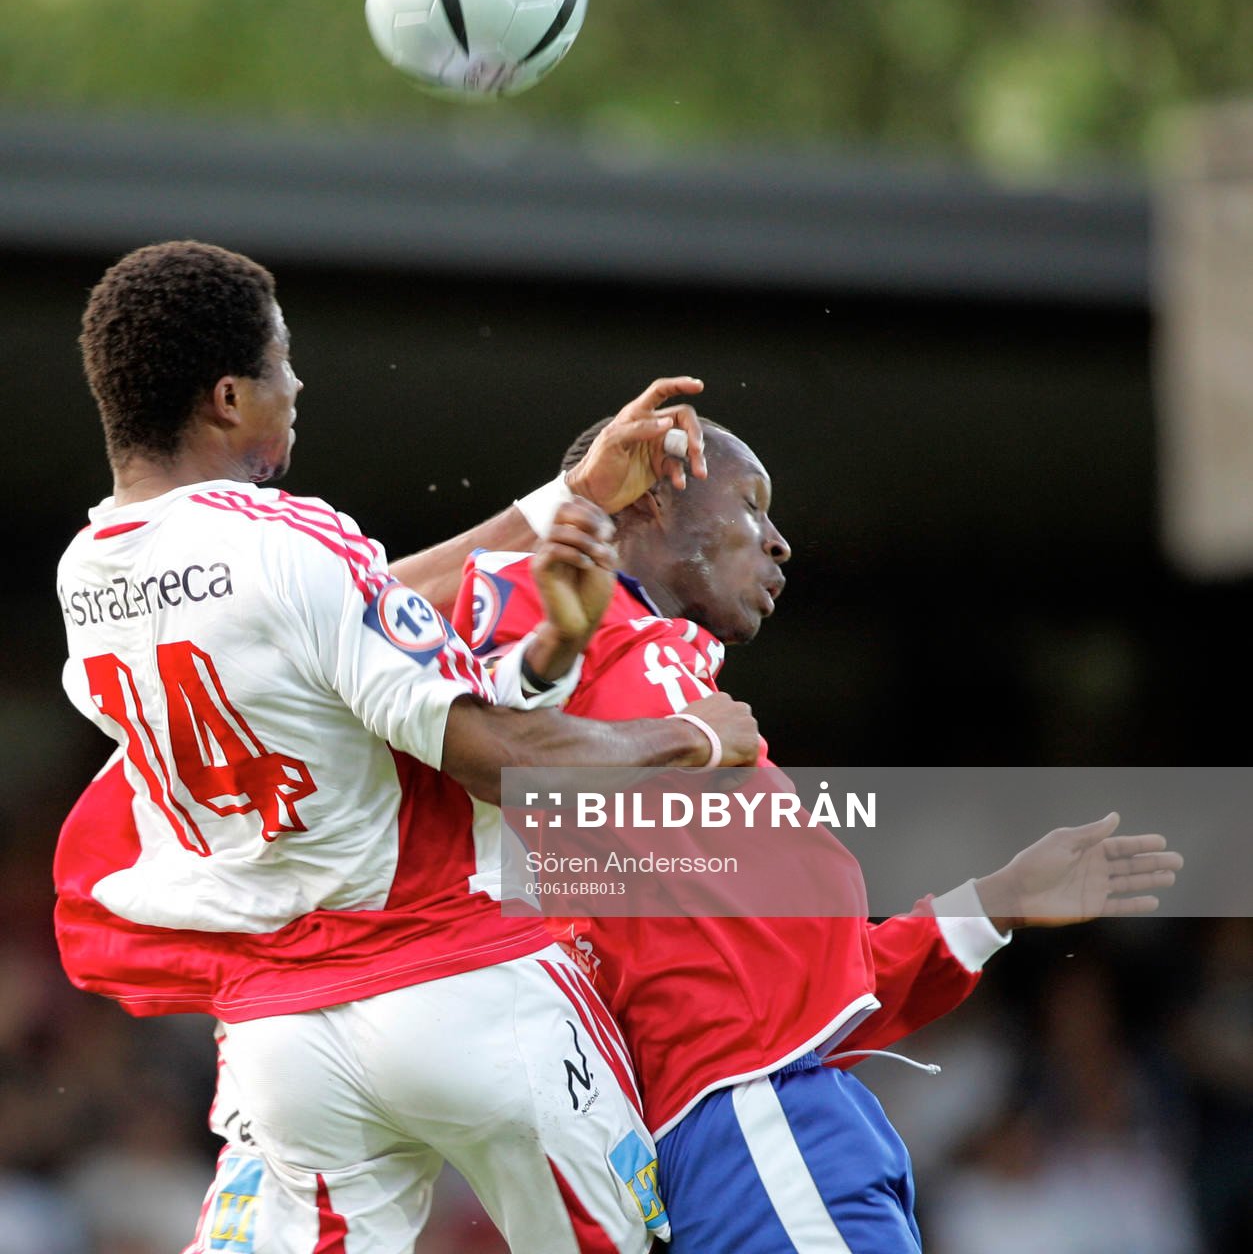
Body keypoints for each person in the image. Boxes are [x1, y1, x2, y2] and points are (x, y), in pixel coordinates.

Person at [55, 240, 762, 1254]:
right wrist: (690, 737)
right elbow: (497, 757)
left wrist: (566, 497)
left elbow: (339, 605)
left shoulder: (89, 572)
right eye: (281, 363)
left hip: (284, 1037)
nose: (297, 386)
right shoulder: (287, 540)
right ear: (228, 398)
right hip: (462, 984)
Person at [443, 416, 1183, 1253]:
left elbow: (811, 997)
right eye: (751, 505)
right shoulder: (552, 600)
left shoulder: (693, 706)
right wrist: (589, 627)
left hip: (784, 1117)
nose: (779, 542)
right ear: (650, 497)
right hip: (755, 1117)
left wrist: (993, 903)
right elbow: (488, 740)